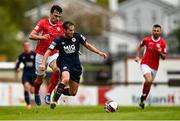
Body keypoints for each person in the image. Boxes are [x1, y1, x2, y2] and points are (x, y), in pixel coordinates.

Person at [39, 21, 108, 109]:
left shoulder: (77, 36)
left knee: (73, 93)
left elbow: (87, 45)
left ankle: (58, 90)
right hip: (64, 63)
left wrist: (99, 52)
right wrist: (43, 63)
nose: (72, 32)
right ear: (64, 30)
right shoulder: (58, 40)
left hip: (76, 66)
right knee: (65, 79)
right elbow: (48, 51)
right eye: (70, 30)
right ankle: (55, 101)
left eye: (73, 30)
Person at [29, 5, 63, 105]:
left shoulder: (61, 26)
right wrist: (42, 37)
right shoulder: (43, 22)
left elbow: (66, 39)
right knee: (40, 79)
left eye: (59, 16)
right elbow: (31, 35)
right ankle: (36, 92)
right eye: (55, 15)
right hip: (40, 54)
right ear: (51, 14)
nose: (57, 18)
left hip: (53, 54)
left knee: (57, 70)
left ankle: (49, 94)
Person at [134, 24, 167, 109]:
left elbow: (163, 58)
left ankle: (143, 99)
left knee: (149, 83)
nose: (156, 32)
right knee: (149, 80)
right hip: (145, 63)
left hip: (155, 67)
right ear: (152, 31)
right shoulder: (147, 40)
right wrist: (137, 56)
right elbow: (139, 47)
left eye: (157, 31)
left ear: (160, 32)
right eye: (154, 30)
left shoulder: (163, 43)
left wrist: (160, 52)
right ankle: (143, 96)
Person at [15, 41, 36, 109]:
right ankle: (28, 104)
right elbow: (17, 64)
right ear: (23, 47)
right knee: (26, 87)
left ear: (29, 46)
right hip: (26, 74)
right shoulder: (21, 55)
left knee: (32, 91)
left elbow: (39, 62)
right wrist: (17, 68)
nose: (27, 47)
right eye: (25, 46)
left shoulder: (34, 54)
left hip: (34, 74)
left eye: (28, 45)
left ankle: (33, 89)